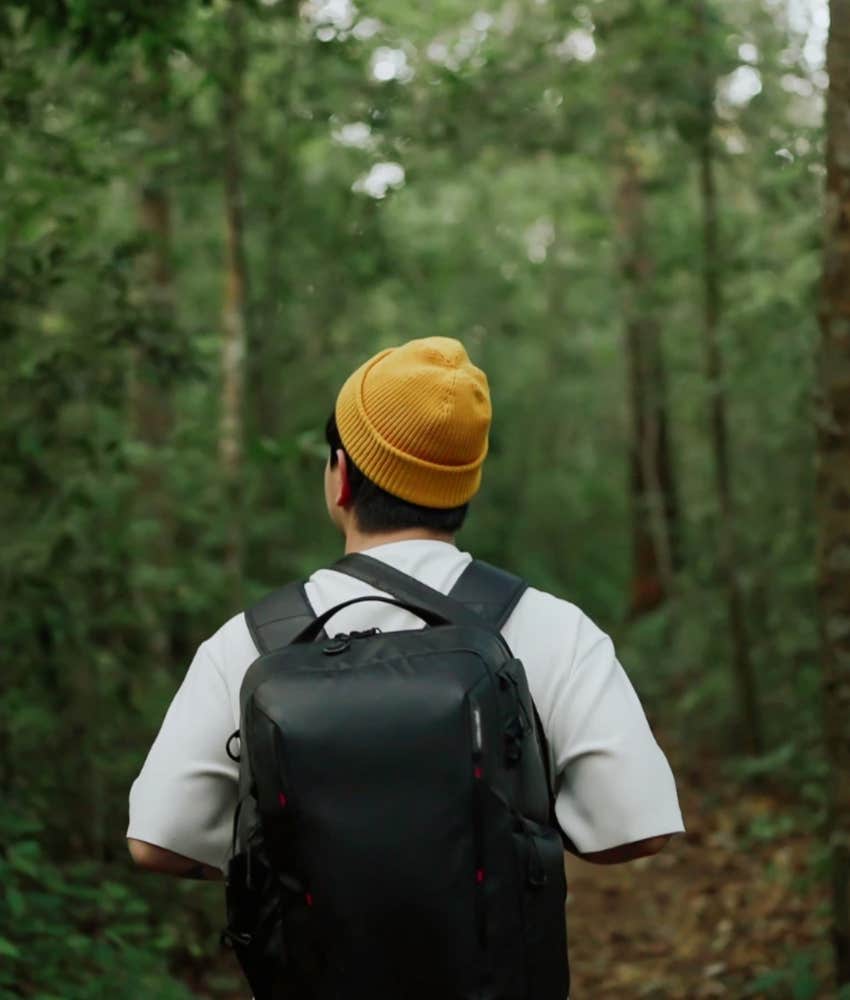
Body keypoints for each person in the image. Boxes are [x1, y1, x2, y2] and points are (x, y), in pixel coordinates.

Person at [128, 336, 684, 887]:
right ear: (465, 484)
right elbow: (637, 827)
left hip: (316, 976)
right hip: (493, 976)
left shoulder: (250, 643)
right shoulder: (554, 630)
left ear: (340, 475)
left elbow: (159, 840)